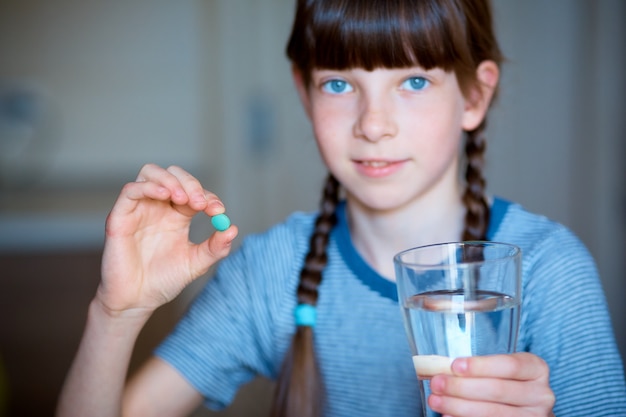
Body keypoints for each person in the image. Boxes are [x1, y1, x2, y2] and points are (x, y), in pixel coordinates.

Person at [56, 0, 626, 416]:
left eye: (415, 82)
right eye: (338, 85)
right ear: (303, 92)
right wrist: (116, 315)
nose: (372, 125)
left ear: (474, 96)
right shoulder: (269, 270)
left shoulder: (551, 270)